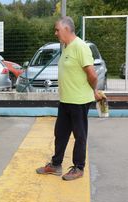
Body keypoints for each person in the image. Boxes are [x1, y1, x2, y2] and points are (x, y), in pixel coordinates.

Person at [36, 16, 101, 181]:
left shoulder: (81, 47)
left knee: (80, 135)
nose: (55, 32)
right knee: (60, 133)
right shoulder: (66, 47)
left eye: (57, 29)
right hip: (66, 100)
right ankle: (56, 165)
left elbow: (92, 74)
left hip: (79, 100)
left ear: (66, 29)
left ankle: (79, 167)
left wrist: (94, 90)